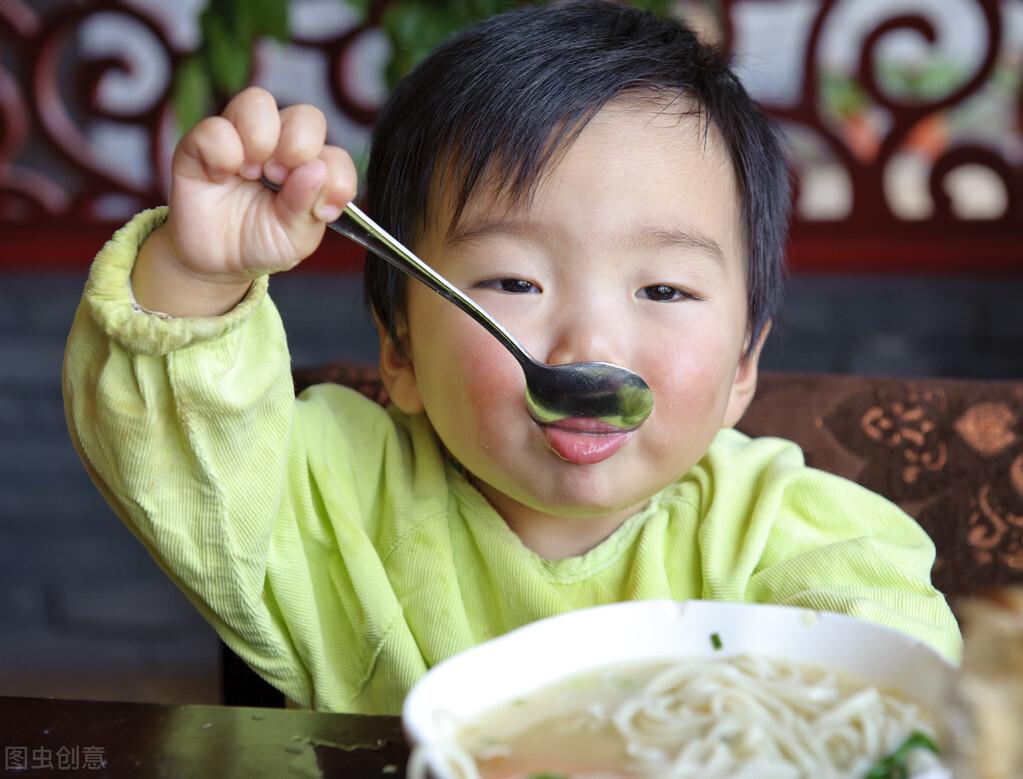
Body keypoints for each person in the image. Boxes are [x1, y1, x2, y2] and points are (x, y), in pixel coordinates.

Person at [62, 0, 960, 714]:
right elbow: (178, 461)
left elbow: (887, 661)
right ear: (400, 348)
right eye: (513, 282)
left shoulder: (791, 536)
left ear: (741, 369)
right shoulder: (333, 497)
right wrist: (196, 275)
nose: (588, 346)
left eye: (663, 291)